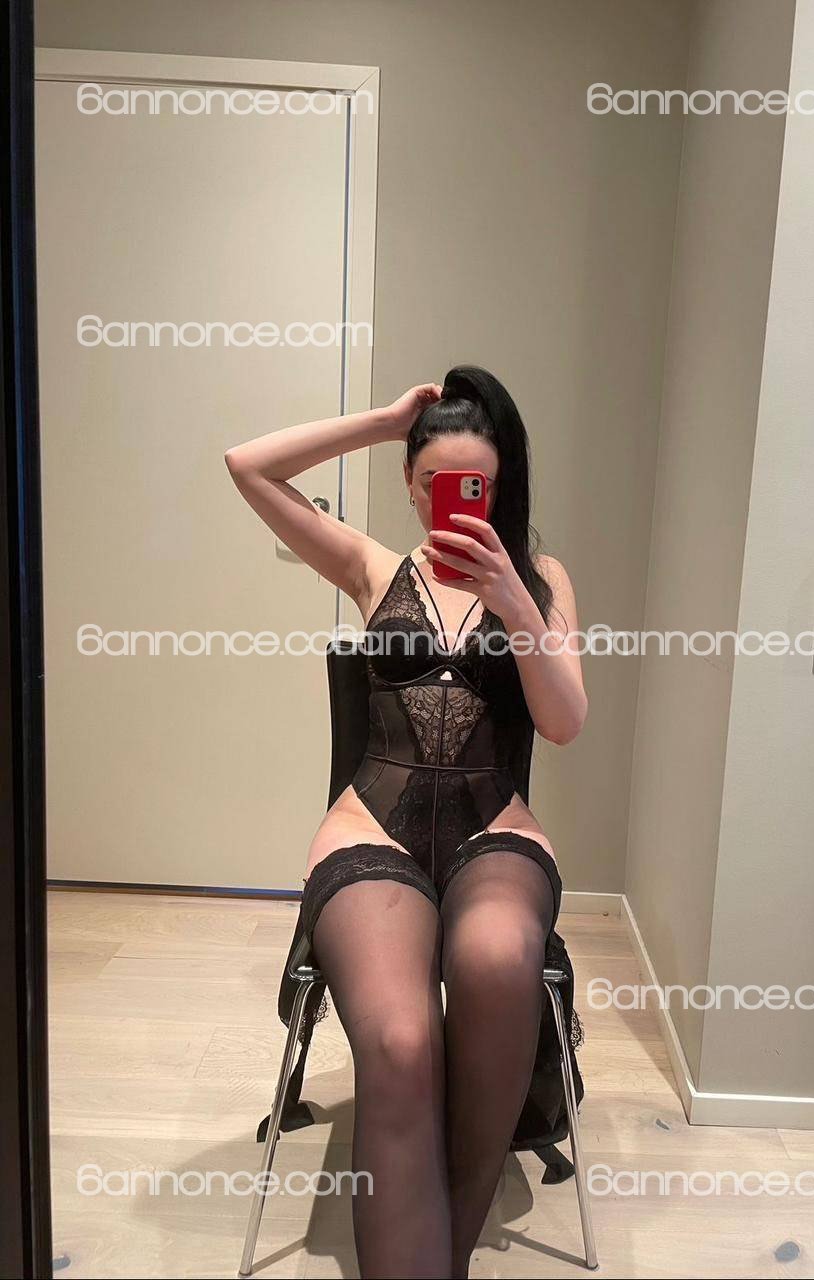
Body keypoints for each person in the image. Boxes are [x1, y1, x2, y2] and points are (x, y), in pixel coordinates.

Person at [225, 365, 588, 1279]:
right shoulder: (373, 566)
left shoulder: (541, 578)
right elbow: (248, 466)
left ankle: (441, 1255)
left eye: (477, 485)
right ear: (411, 481)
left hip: (493, 828)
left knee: (497, 959)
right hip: (373, 830)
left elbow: (564, 721)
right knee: (399, 1040)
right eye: (434, 483)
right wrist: (385, 422)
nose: (452, 501)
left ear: (502, 486)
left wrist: (514, 602)